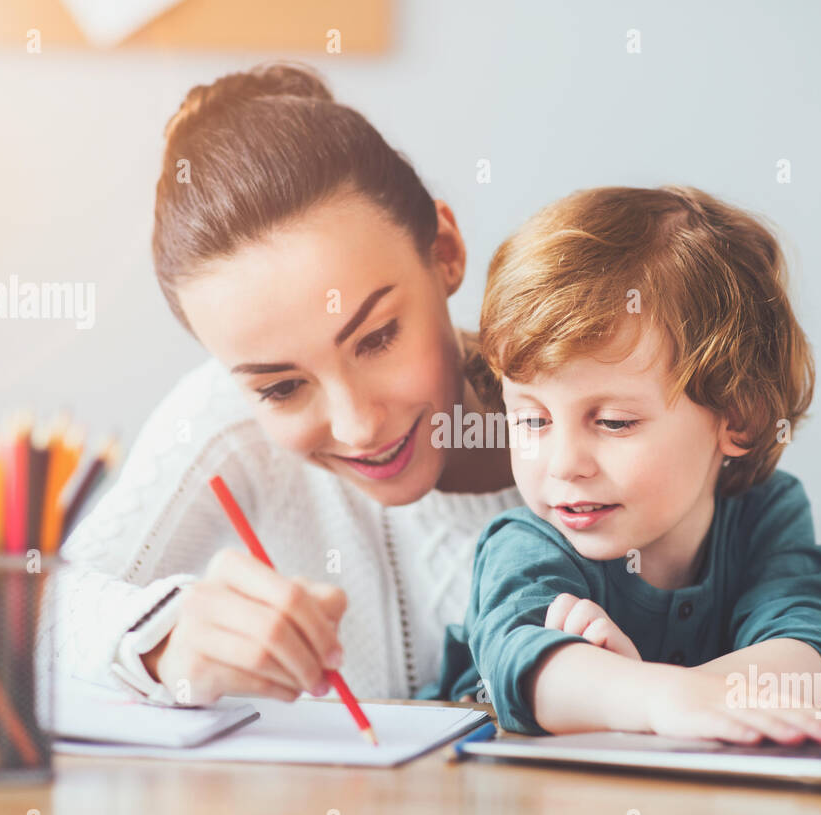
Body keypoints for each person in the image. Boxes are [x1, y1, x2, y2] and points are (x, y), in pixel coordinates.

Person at [43, 62, 519, 707]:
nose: (358, 426)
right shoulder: (222, 422)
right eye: (281, 389)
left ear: (445, 252)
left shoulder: (604, 410)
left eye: (376, 339)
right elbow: (32, 604)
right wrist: (162, 643)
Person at [420, 186, 821, 744]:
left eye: (614, 423)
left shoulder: (765, 513)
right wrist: (647, 696)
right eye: (532, 420)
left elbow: (810, 661)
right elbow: (526, 672)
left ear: (738, 418)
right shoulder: (529, 544)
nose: (564, 464)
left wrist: (654, 691)